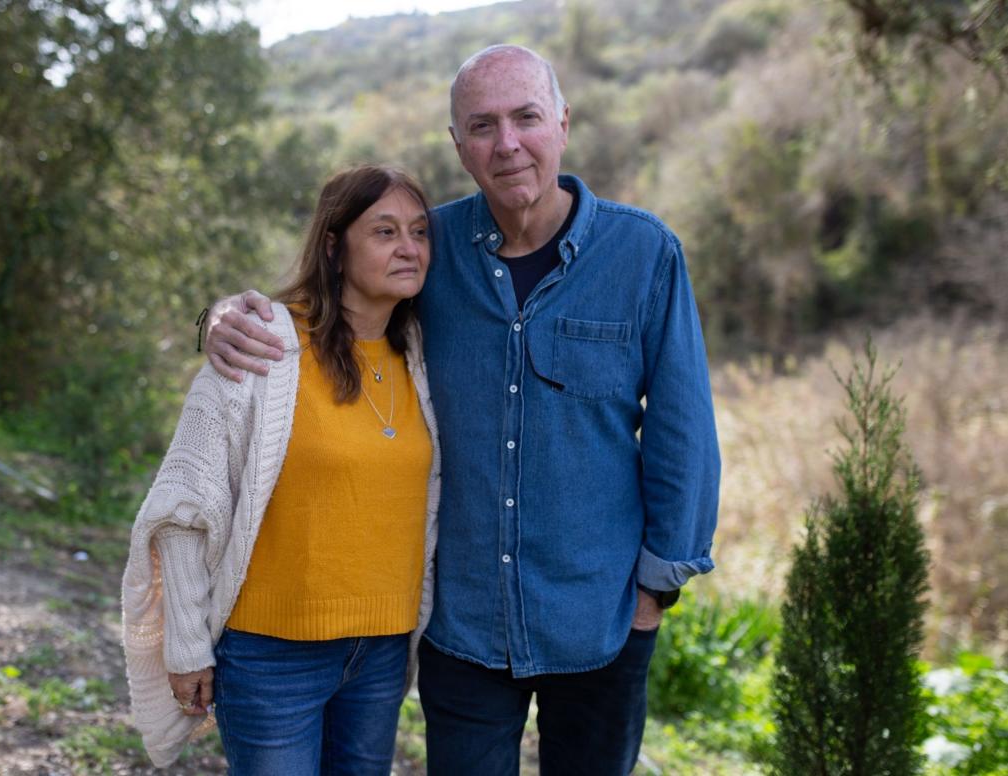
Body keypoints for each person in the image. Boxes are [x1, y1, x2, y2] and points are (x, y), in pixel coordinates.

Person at [203, 44, 721, 775]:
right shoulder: (428, 247)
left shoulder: (643, 254)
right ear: (458, 146)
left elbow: (683, 433)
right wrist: (222, 315)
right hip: (463, 625)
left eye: (525, 118)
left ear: (562, 123)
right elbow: (324, 303)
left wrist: (651, 595)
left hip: (599, 617)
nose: (506, 144)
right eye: (481, 125)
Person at [121, 164, 441, 775]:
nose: (409, 248)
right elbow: (188, 507)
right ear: (333, 246)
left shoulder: (421, 352)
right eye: (384, 232)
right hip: (271, 656)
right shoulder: (260, 343)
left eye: (420, 232)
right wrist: (187, 644)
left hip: (380, 653)